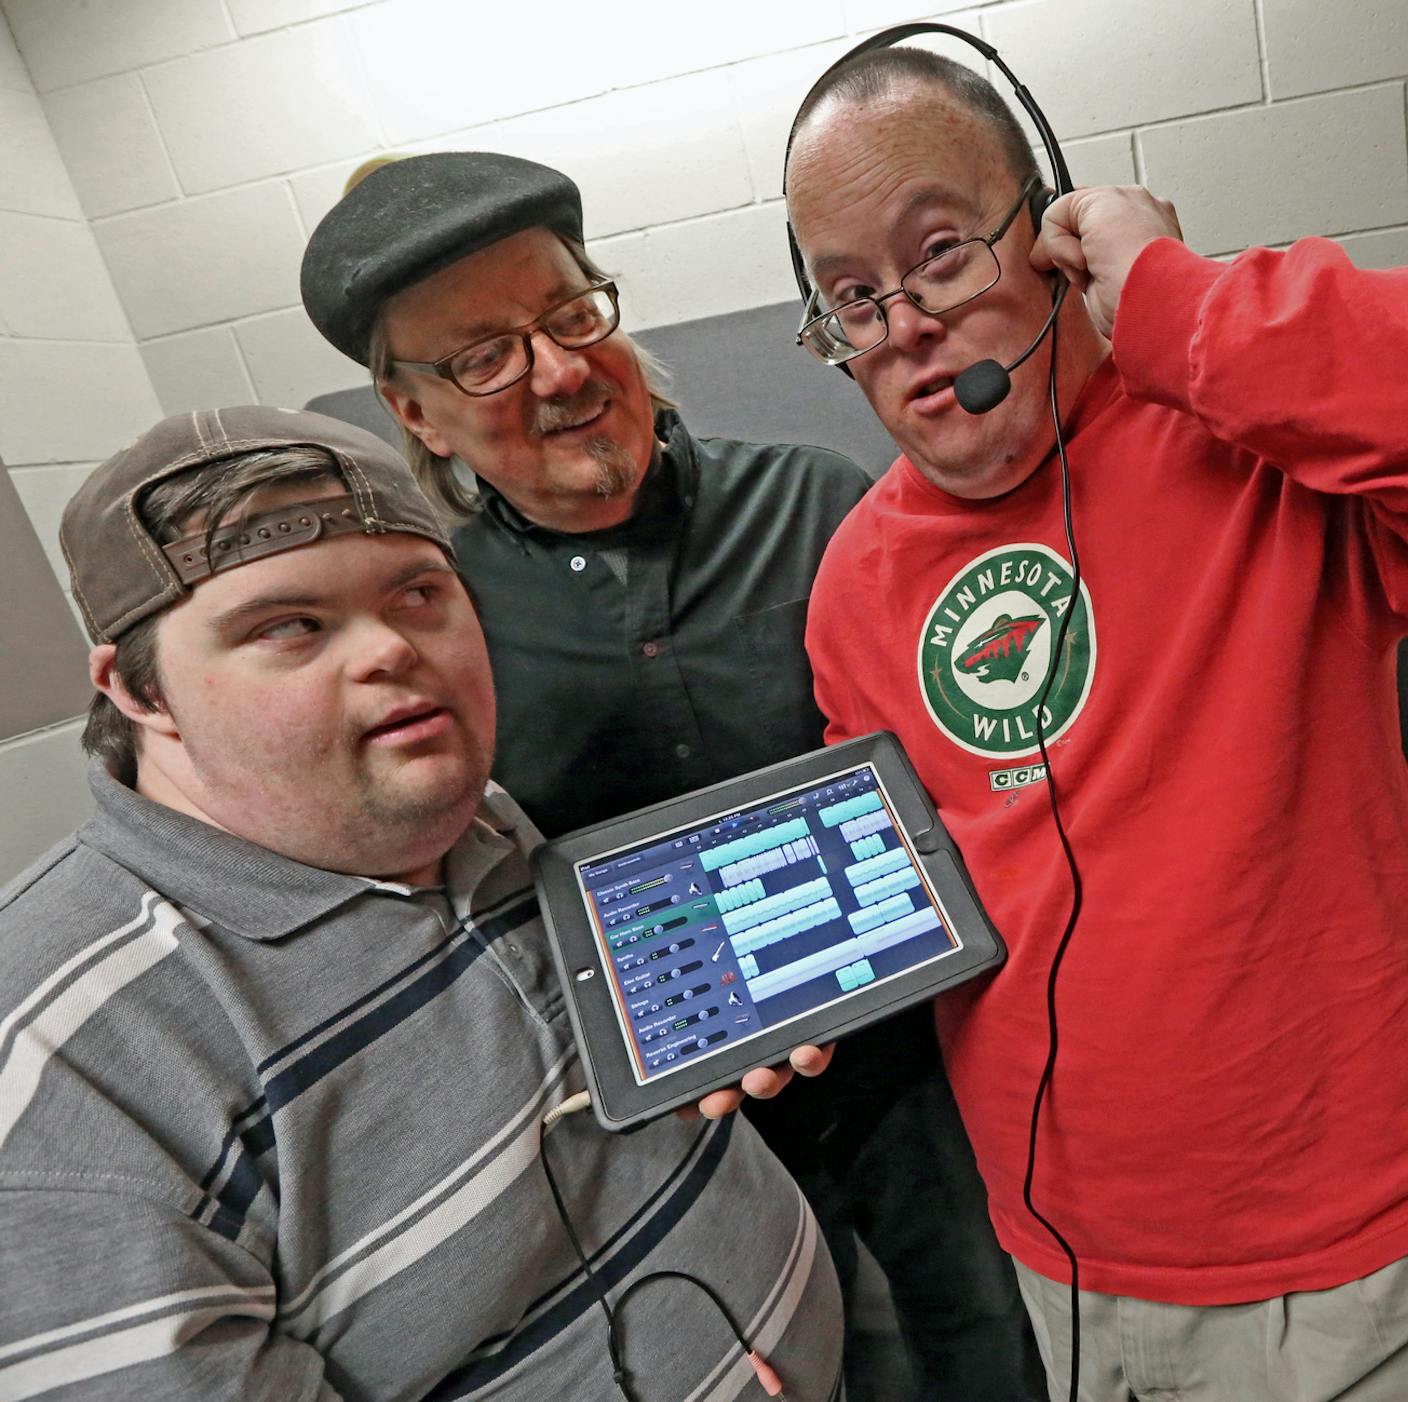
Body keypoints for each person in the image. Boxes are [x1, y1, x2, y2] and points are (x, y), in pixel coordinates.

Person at [782, 46, 1408, 1401]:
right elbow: (919, 887)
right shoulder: (856, 582)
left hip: (1360, 1256)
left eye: (941, 253)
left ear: (1048, 240)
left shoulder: (1253, 441)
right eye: (853, 295)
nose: (906, 319)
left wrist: (1181, 302)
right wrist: (800, 987)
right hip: (1070, 1256)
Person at [298, 152, 1038, 1399]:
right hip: (672, 1143)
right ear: (412, 413)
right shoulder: (444, 624)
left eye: (572, 314)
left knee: (995, 1349)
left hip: (925, 1074)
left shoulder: (825, 508)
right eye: (482, 355)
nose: (557, 371)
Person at [0, 407, 839, 1399]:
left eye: (421, 593)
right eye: (289, 625)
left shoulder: (475, 822)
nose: (393, 650)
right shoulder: (65, 1063)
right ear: (139, 692)